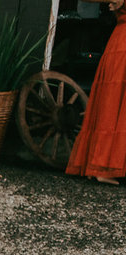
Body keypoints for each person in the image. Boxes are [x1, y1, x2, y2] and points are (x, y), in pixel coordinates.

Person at [66, 0, 126, 184]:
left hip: (121, 42)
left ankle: (100, 164)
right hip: (122, 43)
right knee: (116, 102)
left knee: (113, 102)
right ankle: (103, 166)